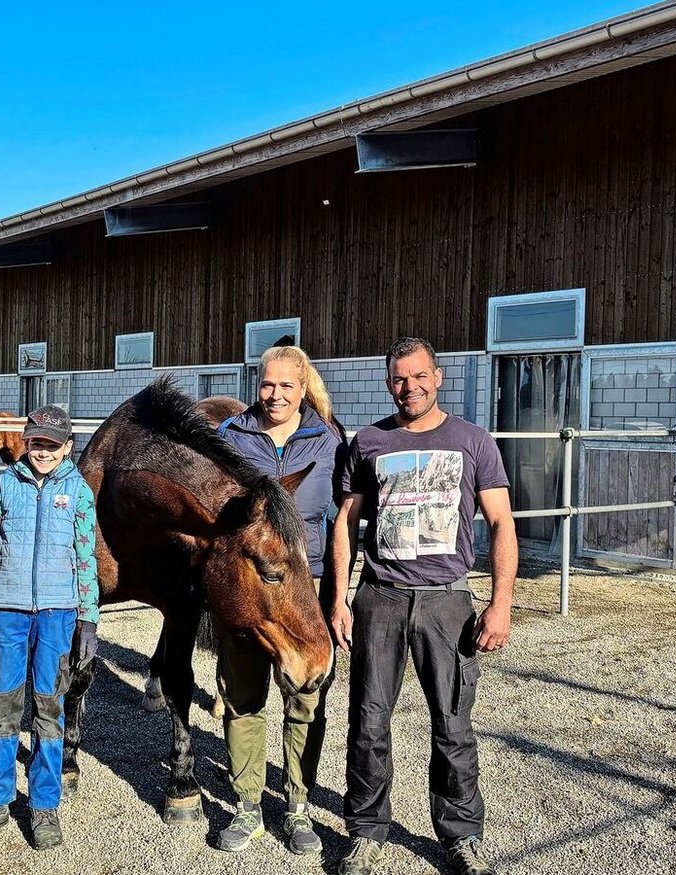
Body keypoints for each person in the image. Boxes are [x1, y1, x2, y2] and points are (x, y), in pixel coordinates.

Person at [329, 337, 517, 875]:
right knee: (368, 722)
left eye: (418, 376)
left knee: (453, 724)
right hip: (380, 598)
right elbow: (345, 523)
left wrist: (501, 604)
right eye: (398, 378)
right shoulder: (368, 442)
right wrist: (340, 599)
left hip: (447, 601)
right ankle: (366, 832)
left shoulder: (472, 441)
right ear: (388, 382)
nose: (408, 387)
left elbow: (502, 523)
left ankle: (461, 837)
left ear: (437, 378)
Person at [213, 345, 344, 855]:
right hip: (249, 590)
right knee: (243, 697)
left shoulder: (327, 440)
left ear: (303, 387)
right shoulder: (231, 436)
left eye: (287, 385)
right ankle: (248, 806)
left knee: (305, 699)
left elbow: (342, 520)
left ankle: (298, 805)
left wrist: (339, 595)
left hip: (305, 588)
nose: (275, 394)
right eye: (268, 383)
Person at [0, 404, 99, 850]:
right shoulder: (3, 486)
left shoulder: (79, 492)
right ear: (25, 442)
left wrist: (88, 621)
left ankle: (44, 805)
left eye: (52, 445)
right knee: (3, 707)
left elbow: (86, 557)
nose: (43, 452)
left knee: (49, 710)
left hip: (58, 615)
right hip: (7, 613)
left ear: (67, 447)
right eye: (36, 443)